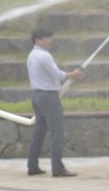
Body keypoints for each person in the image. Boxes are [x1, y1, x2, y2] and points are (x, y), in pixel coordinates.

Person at [26, 28, 83, 177]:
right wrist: (74, 74)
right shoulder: (44, 56)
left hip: (37, 97)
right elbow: (58, 75)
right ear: (38, 40)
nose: (51, 40)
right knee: (57, 132)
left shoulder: (32, 55)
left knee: (39, 132)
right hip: (48, 97)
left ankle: (32, 166)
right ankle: (57, 168)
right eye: (47, 37)